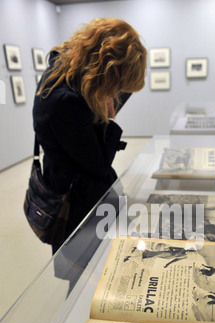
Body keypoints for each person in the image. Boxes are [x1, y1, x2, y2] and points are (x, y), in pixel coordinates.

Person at [33, 18, 147, 253]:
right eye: (117, 85)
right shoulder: (67, 101)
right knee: (82, 275)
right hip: (77, 203)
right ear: (107, 70)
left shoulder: (64, 68)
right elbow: (99, 165)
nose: (116, 92)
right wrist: (111, 117)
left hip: (76, 187)